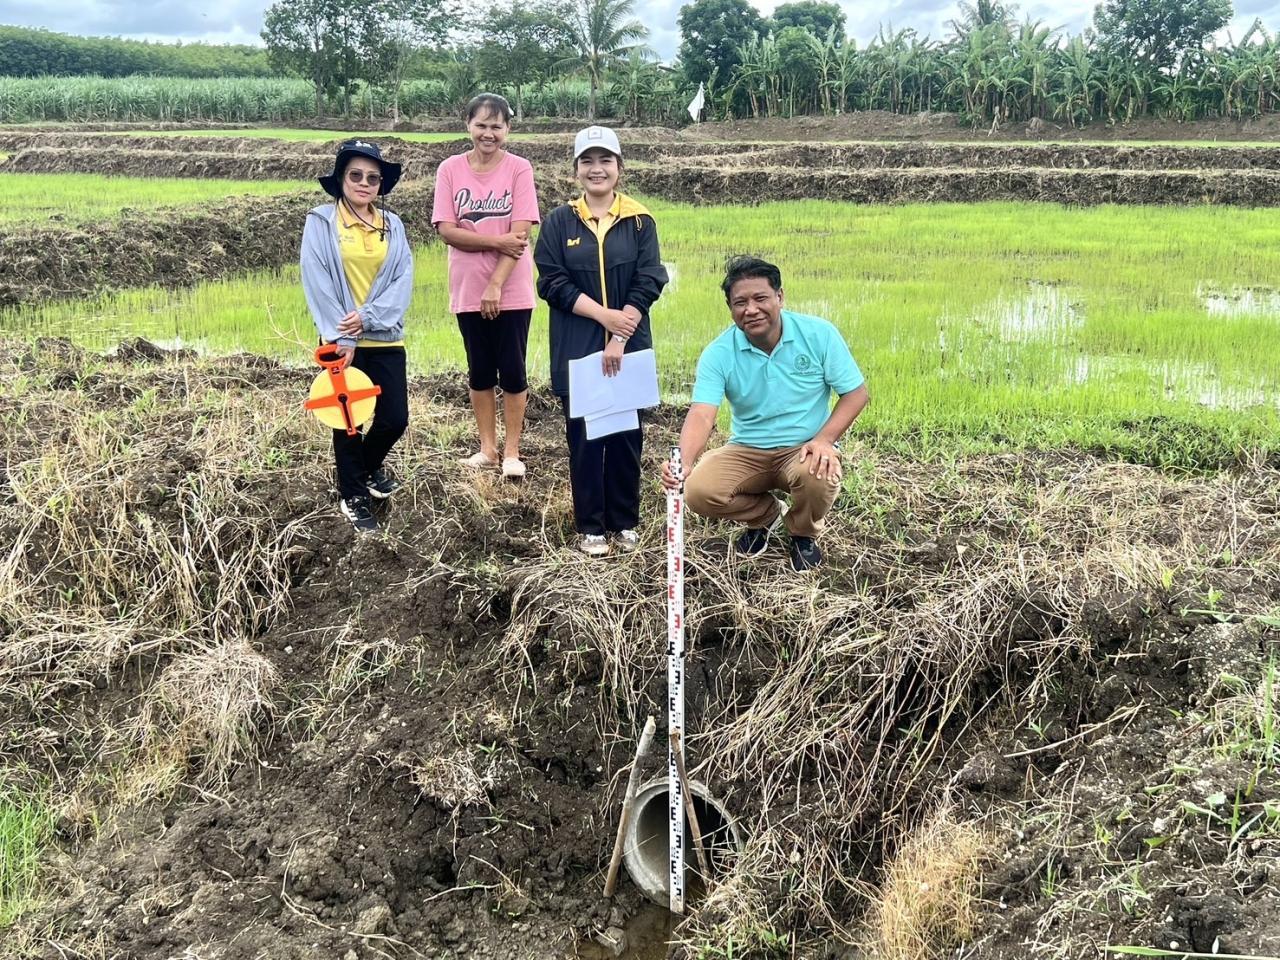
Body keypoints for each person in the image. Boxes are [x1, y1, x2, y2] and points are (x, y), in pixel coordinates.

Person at [660, 256, 868, 572]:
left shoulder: (818, 335)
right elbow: (702, 414)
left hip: (804, 448)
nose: (751, 309)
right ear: (730, 308)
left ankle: (802, 533)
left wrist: (825, 440)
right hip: (748, 449)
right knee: (698, 491)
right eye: (740, 302)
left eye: (760, 298)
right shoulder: (719, 352)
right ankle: (766, 516)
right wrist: (684, 461)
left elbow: (856, 393)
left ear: (779, 297)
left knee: (820, 474)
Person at [535, 125, 668, 557]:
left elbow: (650, 279)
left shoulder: (640, 221)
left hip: (629, 344)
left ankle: (625, 521)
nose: (597, 169)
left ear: (619, 168)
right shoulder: (559, 221)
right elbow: (551, 282)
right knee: (586, 438)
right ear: (576, 171)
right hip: (578, 344)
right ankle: (591, 525)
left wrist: (620, 332)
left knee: (627, 435)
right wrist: (602, 317)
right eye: (587, 162)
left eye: (605, 161)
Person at [301, 139, 413, 535]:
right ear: (341, 178)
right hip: (341, 342)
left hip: (384, 337)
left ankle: (364, 471)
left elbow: (402, 280)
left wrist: (367, 318)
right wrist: (341, 335)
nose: (364, 183)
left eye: (373, 178)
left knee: (394, 418)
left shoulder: (392, 225)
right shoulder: (321, 222)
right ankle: (353, 496)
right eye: (356, 175)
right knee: (347, 422)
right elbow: (317, 281)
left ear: (381, 184)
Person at [432, 93, 541, 479]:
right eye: (481, 125)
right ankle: (487, 449)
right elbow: (447, 231)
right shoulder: (449, 170)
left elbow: (521, 235)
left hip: (510, 291)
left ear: (508, 130)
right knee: (479, 370)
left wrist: (495, 284)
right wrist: (496, 242)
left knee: (512, 370)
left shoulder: (518, 169)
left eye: (497, 126)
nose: (488, 133)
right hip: (467, 289)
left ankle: (511, 451)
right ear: (468, 126)